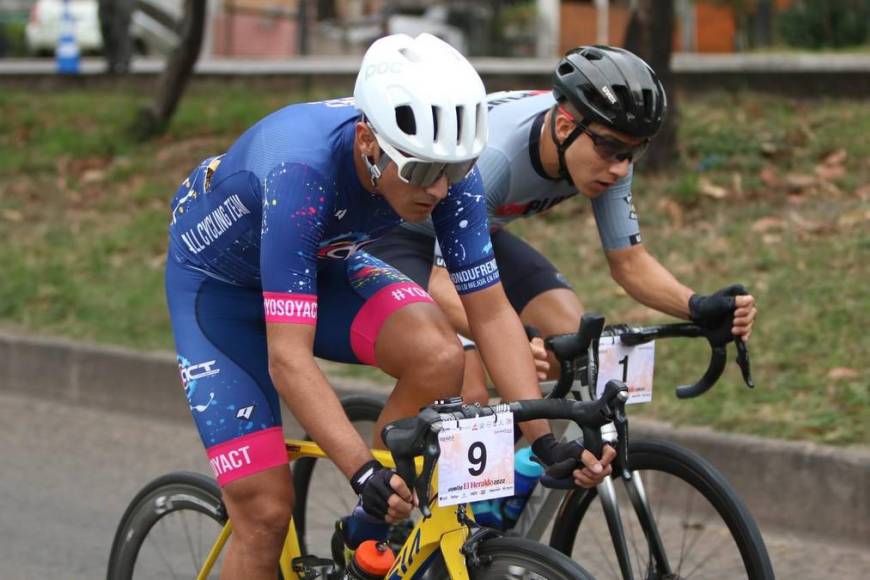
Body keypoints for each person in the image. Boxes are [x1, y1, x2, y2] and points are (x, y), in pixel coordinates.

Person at [164, 34, 612, 580]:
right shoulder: (299, 172)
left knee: (440, 354)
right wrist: (358, 472)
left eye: (458, 167)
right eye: (423, 171)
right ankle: (364, 499)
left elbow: (490, 312)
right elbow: (288, 360)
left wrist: (543, 443)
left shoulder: (446, 173)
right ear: (367, 142)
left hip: (326, 261)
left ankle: (365, 535)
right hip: (221, 293)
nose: (442, 190)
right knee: (264, 514)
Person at [367, 45, 758, 402]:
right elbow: (442, 283)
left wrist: (697, 306)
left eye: (634, 151)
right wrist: (516, 340)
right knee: (471, 388)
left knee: (573, 346)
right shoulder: (496, 159)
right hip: (398, 237)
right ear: (567, 127)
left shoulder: (605, 158)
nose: (620, 167)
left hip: (472, 238)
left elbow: (629, 262)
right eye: (610, 149)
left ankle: (525, 469)